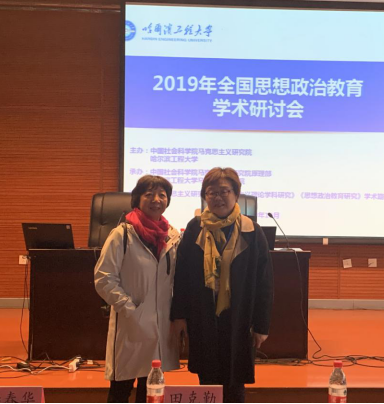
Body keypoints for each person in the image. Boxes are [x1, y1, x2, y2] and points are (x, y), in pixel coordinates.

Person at [171, 167, 274, 403]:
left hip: (239, 317)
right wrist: (179, 315)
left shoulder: (252, 231)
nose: (218, 197)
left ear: (236, 194)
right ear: (205, 196)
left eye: (224, 191)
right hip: (203, 314)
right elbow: (182, 276)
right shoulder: (195, 228)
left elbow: (265, 282)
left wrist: (262, 325)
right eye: (212, 192)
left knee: (235, 379)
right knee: (207, 378)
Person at [95, 175, 180, 403]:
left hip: (160, 325)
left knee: (151, 389)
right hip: (131, 324)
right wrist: (130, 308)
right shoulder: (122, 235)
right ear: (137, 199)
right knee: (121, 390)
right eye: (149, 194)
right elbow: (103, 278)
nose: (156, 200)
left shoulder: (172, 237)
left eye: (162, 195)